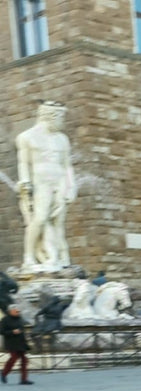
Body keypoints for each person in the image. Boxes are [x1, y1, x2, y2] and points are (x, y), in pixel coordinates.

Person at [17, 101, 77, 272]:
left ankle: (60, 258)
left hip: (60, 182)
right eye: (61, 118)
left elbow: (67, 166)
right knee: (40, 219)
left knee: (59, 222)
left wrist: (71, 187)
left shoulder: (62, 139)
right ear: (51, 117)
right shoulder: (26, 137)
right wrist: (25, 182)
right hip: (40, 182)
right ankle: (29, 257)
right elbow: (23, 163)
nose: (63, 122)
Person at [1, 305, 33, 385]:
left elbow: (22, 329)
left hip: (21, 342)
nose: (18, 312)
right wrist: (12, 332)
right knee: (14, 358)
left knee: (24, 360)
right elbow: (1, 331)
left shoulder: (20, 319)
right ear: (10, 311)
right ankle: (4, 373)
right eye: (16, 311)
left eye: (18, 311)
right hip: (11, 342)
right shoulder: (5, 320)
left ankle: (24, 379)